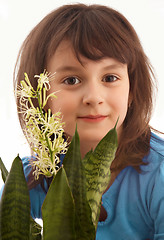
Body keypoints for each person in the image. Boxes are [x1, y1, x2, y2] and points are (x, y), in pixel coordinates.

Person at [1, 3, 164, 239]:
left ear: (132, 92)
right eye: (71, 80)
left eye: (109, 77)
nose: (94, 98)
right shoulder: (34, 177)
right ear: (40, 95)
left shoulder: (158, 174)